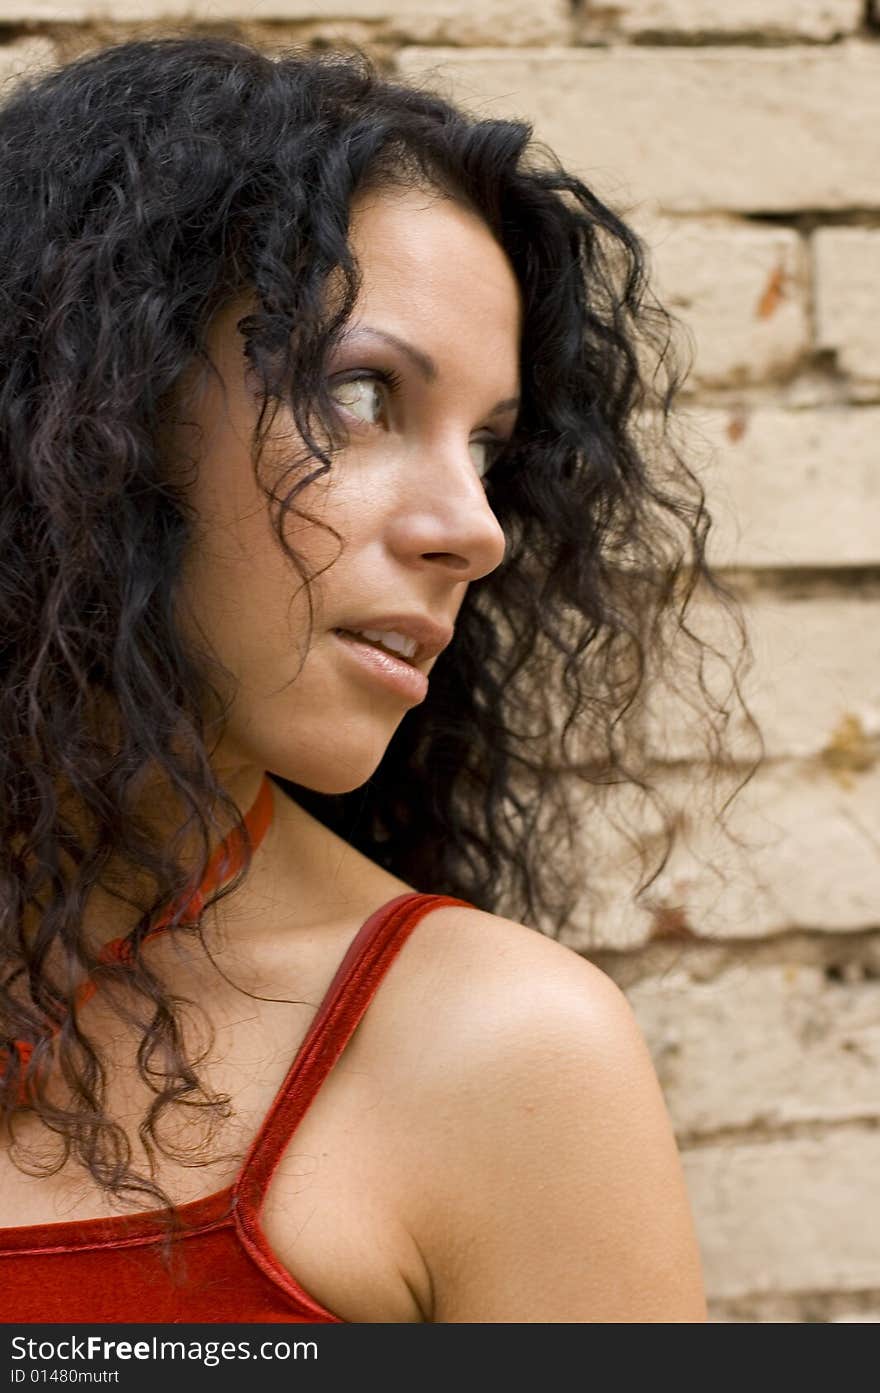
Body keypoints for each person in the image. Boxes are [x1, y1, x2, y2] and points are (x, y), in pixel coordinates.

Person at [0, 34, 738, 1322]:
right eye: (361, 395)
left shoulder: (499, 1051)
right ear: (98, 406)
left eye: (492, 447)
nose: (478, 528)